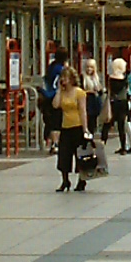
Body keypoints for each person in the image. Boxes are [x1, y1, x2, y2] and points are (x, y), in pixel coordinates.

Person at [52, 65, 90, 193]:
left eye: (66, 78)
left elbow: (83, 111)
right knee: (63, 155)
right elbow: (55, 105)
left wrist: (85, 129)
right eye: (62, 77)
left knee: (80, 155)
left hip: (77, 126)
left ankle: (81, 180)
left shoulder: (79, 92)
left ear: (72, 79)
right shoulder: (62, 93)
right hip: (65, 127)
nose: (63, 80)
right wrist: (58, 90)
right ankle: (65, 180)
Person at [39, 47, 67, 157]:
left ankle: (53, 143)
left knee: (51, 122)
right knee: (57, 122)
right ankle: (56, 143)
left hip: (48, 95)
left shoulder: (51, 67)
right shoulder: (61, 69)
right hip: (57, 96)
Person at [104, 56, 130, 153]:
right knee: (121, 126)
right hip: (123, 102)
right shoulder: (125, 78)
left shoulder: (111, 79)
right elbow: (126, 90)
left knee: (107, 124)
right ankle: (123, 147)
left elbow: (110, 91)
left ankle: (103, 142)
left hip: (113, 102)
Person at [81, 57, 103, 134]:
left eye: (91, 67)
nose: (89, 69)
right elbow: (81, 90)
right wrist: (90, 91)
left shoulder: (96, 78)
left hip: (95, 103)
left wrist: (99, 89)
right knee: (88, 121)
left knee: (93, 122)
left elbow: (101, 92)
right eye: (87, 67)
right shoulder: (82, 77)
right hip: (87, 102)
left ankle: (91, 136)